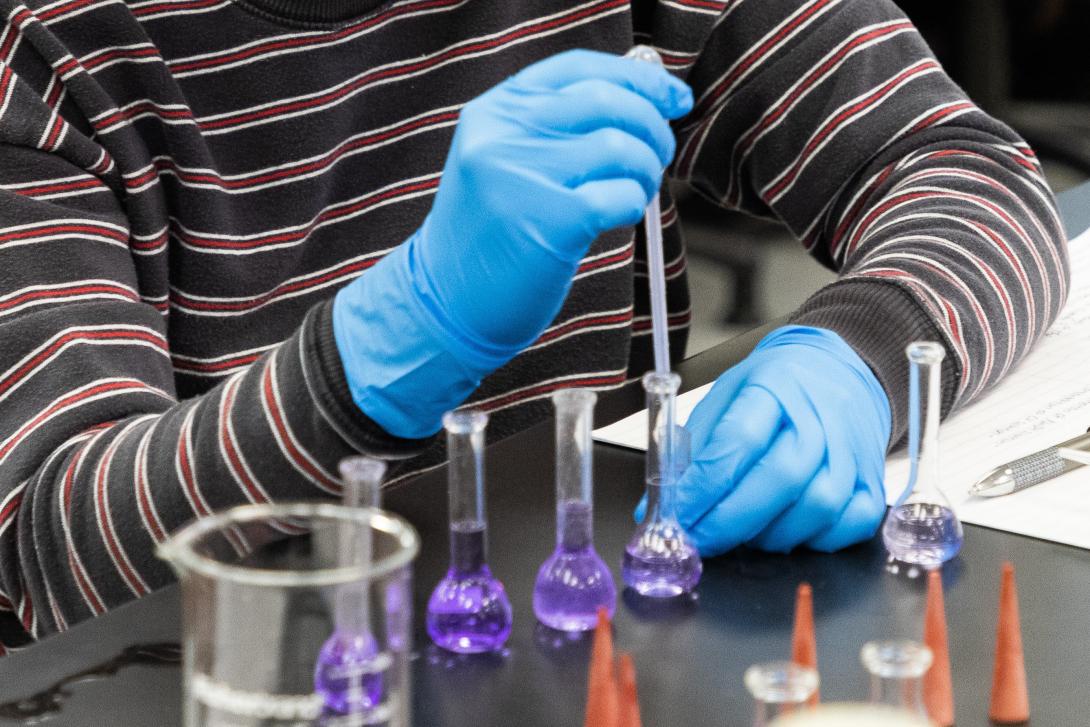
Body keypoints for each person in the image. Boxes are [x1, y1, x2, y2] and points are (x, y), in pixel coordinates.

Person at [0, 0, 1067, 648]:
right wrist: (388, 345)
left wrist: (855, 355)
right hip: (257, 671)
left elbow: (963, 170)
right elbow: (63, 548)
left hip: (600, 646)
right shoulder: (45, 49)